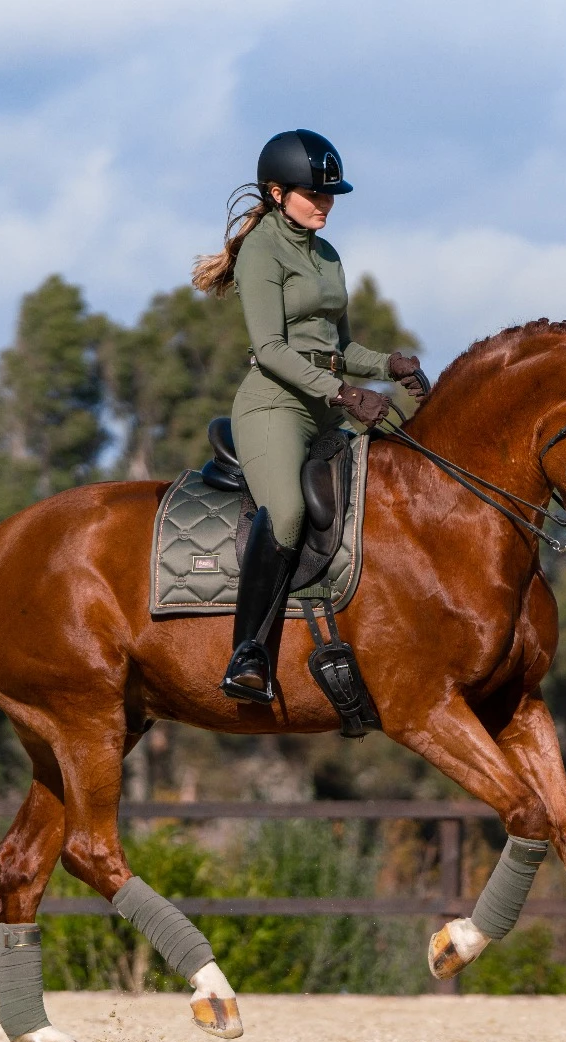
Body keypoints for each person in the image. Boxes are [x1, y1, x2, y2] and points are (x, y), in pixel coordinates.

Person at [192, 129, 430, 704]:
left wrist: (388, 365)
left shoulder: (326, 254)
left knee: (411, 454)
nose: (325, 204)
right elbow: (273, 351)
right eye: (313, 194)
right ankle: (246, 652)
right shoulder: (262, 251)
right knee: (290, 511)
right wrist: (348, 397)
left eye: (330, 196)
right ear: (277, 193)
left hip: (324, 400)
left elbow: (338, 349)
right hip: (275, 404)